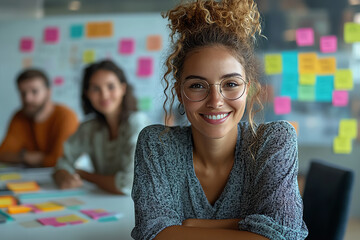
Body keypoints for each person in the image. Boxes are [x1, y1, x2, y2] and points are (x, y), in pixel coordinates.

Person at [131, 0, 308, 239]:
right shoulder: (156, 145)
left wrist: (191, 226)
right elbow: (151, 233)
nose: (215, 100)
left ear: (248, 89)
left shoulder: (275, 140)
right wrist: (246, 227)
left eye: (231, 84)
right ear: (179, 94)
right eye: (197, 85)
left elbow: (284, 235)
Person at [53, 60, 147, 195]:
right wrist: (63, 176)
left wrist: (85, 175)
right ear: (87, 94)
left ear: (123, 88)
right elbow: (62, 163)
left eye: (111, 86)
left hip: (135, 207)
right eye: (96, 89)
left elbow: (127, 184)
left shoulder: (138, 123)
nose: (104, 95)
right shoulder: (89, 127)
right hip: (102, 202)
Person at [0, 69, 78, 167]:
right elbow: (3, 154)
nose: (28, 98)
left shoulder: (66, 116)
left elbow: (61, 161)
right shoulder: (19, 116)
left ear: (48, 92)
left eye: (34, 91)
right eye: (23, 93)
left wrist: (38, 159)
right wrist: (25, 156)